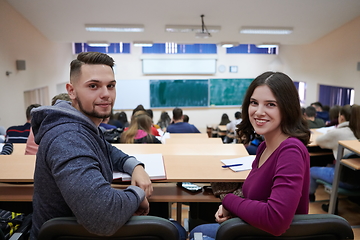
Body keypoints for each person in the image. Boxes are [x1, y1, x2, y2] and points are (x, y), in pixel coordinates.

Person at [29, 52, 154, 240]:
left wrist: (135, 166)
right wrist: (137, 193)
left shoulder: (83, 125)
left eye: (110, 86)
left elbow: (107, 150)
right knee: (172, 229)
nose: (105, 94)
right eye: (93, 86)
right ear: (71, 91)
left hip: (79, 232)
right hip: (73, 235)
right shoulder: (68, 137)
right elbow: (103, 216)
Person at [189, 71, 310, 239]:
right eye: (254, 103)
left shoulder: (291, 151)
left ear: (287, 108)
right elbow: (257, 197)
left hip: (267, 234)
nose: (259, 112)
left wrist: (229, 201)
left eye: (270, 104)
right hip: (253, 229)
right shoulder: (263, 148)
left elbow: (275, 220)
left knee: (195, 233)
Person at [309, 104, 360, 205]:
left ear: (341, 117)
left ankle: (309, 198)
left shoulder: (338, 133)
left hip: (345, 179)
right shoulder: (357, 131)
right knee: (331, 165)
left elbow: (319, 141)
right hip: (358, 180)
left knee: (311, 171)